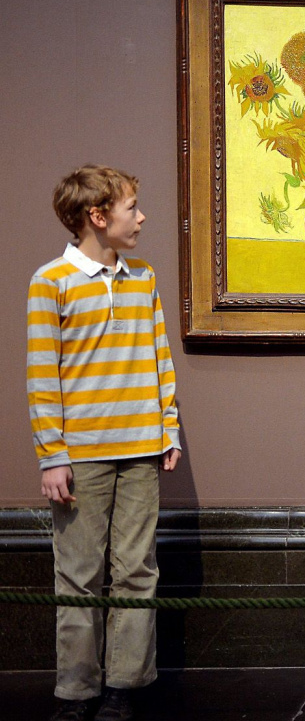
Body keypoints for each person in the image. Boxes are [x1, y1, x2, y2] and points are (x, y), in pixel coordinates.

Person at [28, 165, 183, 721]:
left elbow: (160, 358)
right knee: (78, 575)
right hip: (81, 457)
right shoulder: (50, 282)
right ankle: (76, 692)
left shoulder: (143, 278)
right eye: (131, 207)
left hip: (141, 449)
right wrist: (52, 456)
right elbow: (42, 376)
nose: (141, 217)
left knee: (137, 571)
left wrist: (167, 428)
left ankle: (124, 687)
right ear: (97, 216)